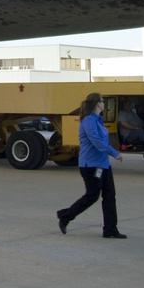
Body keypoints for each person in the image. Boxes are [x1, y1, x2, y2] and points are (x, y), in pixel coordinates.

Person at [56, 93, 126, 239]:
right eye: (102, 101)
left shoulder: (98, 120)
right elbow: (97, 142)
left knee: (110, 196)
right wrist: (115, 153)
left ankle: (110, 229)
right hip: (91, 165)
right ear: (96, 104)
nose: (104, 104)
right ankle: (66, 216)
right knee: (92, 195)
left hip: (103, 165)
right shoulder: (88, 121)